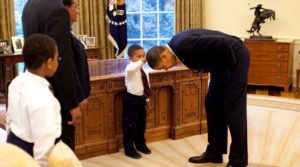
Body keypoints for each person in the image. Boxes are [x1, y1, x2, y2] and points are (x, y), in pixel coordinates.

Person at [146, 28, 249, 167]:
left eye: (162, 67)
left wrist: (230, 70)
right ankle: (215, 152)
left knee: (233, 108)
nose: (165, 69)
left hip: (235, 57)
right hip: (221, 62)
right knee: (212, 103)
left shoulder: (183, 44)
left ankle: (238, 161)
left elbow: (223, 43)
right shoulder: (177, 48)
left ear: (164, 56)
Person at [22, 0, 89, 150]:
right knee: (61, 149)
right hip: (55, 94)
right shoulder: (56, 10)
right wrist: (72, 103)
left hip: (35, 87)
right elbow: (62, 60)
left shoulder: (30, 4)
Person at [6, 33, 61, 167]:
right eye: (56, 58)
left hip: (13, 144)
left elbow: (10, 119)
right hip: (30, 154)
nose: (57, 62)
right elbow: (44, 144)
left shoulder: (16, 82)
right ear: (48, 63)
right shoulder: (45, 99)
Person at [122, 45, 151, 159]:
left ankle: (140, 144)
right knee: (130, 126)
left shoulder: (144, 70)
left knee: (141, 125)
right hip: (131, 100)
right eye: (138, 56)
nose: (142, 58)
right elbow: (132, 68)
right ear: (130, 58)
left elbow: (146, 84)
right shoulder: (129, 68)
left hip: (141, 99)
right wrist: (142, 61)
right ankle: (129, 149)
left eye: (143, 56)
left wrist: (147, 99)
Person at [63, 0, 90, 106]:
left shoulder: (68, 31)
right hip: (73, 97)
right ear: (65, 8)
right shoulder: (63, 34)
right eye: (76, 7)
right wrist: (78, 96)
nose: (78, 11)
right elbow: (69, 68)